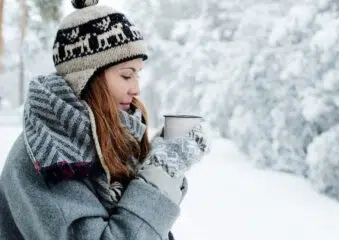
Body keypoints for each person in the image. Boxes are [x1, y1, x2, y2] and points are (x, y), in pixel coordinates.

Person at [0, 0, 209, 239]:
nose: (136, 88)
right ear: (87, 78)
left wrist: (163, 164)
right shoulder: (49, 160)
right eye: (126, 75)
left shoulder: (102, 137)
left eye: (138, 74)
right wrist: (159, 177)